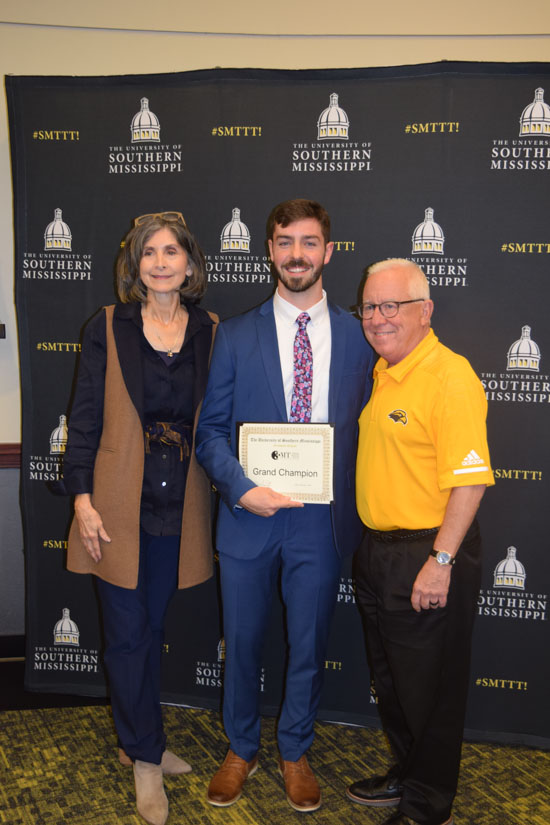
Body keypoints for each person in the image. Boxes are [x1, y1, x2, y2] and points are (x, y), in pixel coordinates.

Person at [195, 198, 374, 812]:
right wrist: (242, 488)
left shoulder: (360, 335)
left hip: (320, 522)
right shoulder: (236, 334)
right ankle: (241, 748)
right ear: (269, 250)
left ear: (328, 251)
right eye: (283, 242)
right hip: (248, 516)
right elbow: (210, 431)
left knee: (309, 640)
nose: (296, 254)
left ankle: (294, 750)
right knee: (240, 641)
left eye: (308, 242)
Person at [63, 211, 217, 825]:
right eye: (149, 252)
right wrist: (81, 500)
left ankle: (136, 739)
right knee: (127, 633)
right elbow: (84, 418)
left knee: (149, 629)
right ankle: (147, 760)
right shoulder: (107, 325)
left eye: (171, 250)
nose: (159, 261)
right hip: (116, 504)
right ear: (136, 264)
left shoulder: (209, 329)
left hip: (179, 504)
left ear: (189, 262)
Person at [348, 258, 494, 825]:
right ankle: (408, 775)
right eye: (369, 307)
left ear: (425, 310)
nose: (378, 319)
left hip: (428, 551)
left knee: (429, 691)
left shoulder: (449, 377)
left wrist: (440, 561)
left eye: (392, 306)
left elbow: (471, 479)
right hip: (378, 551)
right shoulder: (387, 369)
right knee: (394, 683)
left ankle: (426, 806)